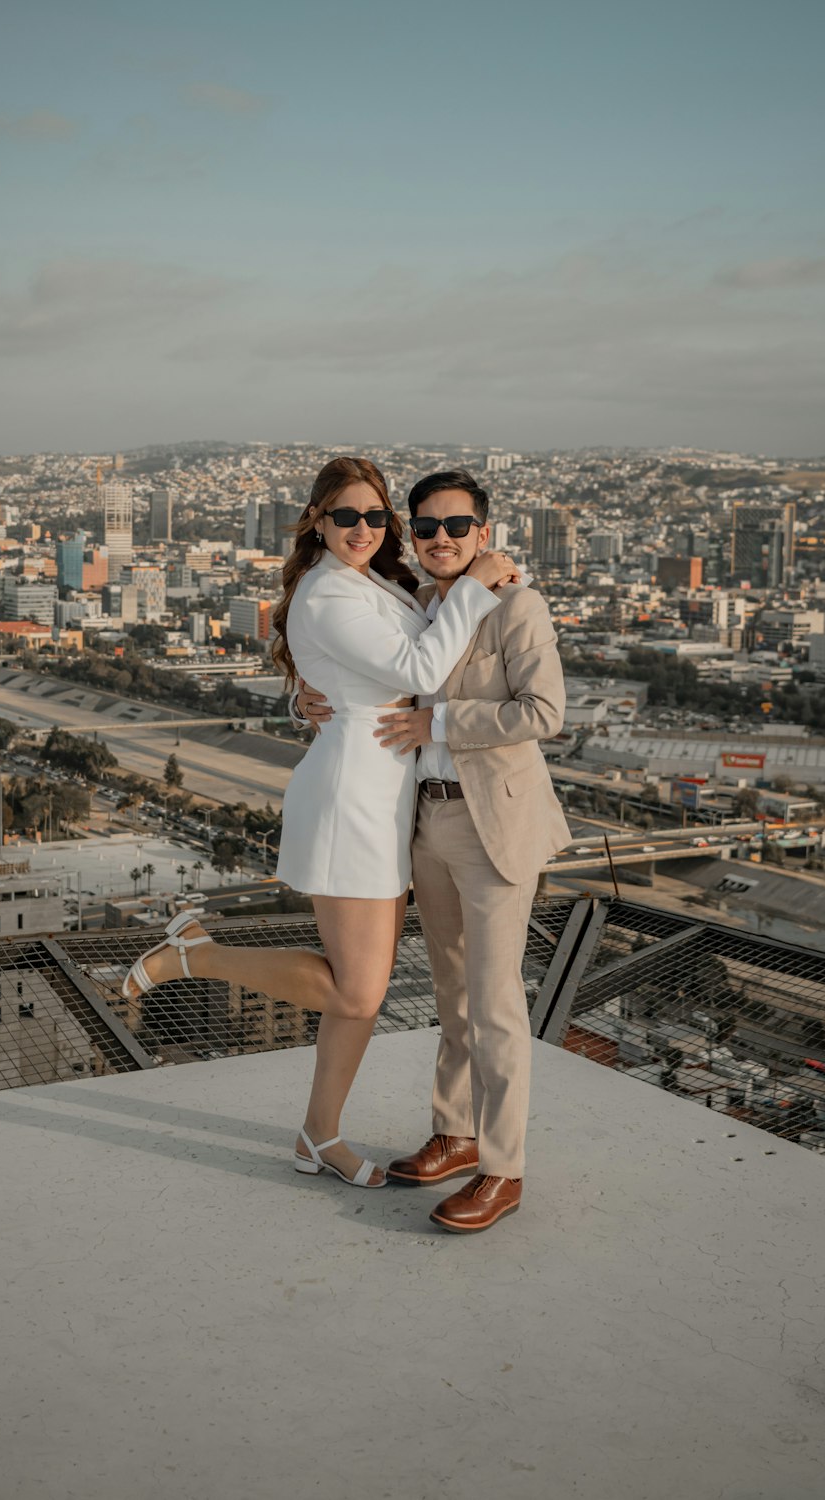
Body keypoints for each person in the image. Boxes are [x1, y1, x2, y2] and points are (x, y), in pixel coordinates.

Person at [122, 456, 516, 1191]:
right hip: (351, 804)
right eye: (346, 516)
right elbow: (422, 667)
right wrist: (475, 586)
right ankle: (194, 955)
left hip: (383, 799)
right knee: (359, 992)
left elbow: (343, 675)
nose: (363, 529)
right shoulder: (328, 590)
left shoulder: (369, 582)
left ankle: (318, 1134)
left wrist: (301, 696)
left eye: (375, 516)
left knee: (357, 993)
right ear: (318, 521)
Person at [296, 469, 568, 1231]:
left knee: (495, 1004)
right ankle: (455, 1131)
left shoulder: (516, 604)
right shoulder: (418, 603)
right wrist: (305, 698)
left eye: (456, 528)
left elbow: (544, 711)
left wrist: (439, 727)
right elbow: (355, 671)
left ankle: (502, 1169)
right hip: (424, 823)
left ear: (485, 534)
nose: (440, 540)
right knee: (451, 994)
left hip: (492, 827)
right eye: (425, 528)